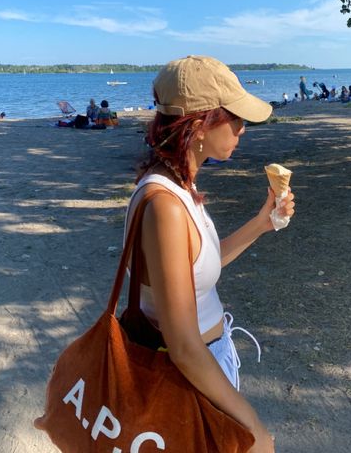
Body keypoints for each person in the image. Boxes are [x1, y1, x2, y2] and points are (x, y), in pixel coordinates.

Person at [124, 56, 295, 452]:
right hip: (187, 378)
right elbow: (183, 346)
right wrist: (252, 426)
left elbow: (195, 271)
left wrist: (263, 221)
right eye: (235, 118)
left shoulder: (178, 187)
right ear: (200, 123)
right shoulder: (165, 204)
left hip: (206, 369)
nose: (243, 130)